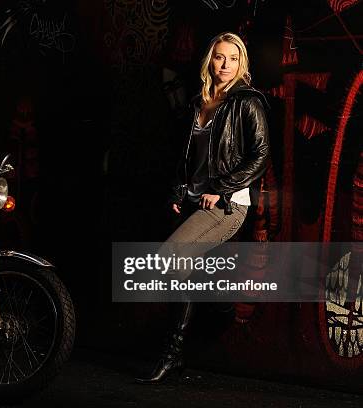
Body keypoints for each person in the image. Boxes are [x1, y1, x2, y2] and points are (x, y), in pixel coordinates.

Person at [135, 32, 270, 384]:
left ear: (242, 64)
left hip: (227, 204)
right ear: (210, 60)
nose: (225, 66)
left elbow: (260, 156)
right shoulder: (199, 102)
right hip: (194, 201)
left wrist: (220, 188)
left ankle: (175, 350)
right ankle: (180, 351)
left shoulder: (247, 101)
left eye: (233, 59)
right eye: (220, 58)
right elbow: (187, 159)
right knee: (180, 270)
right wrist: (180, 192)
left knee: (170, 259)